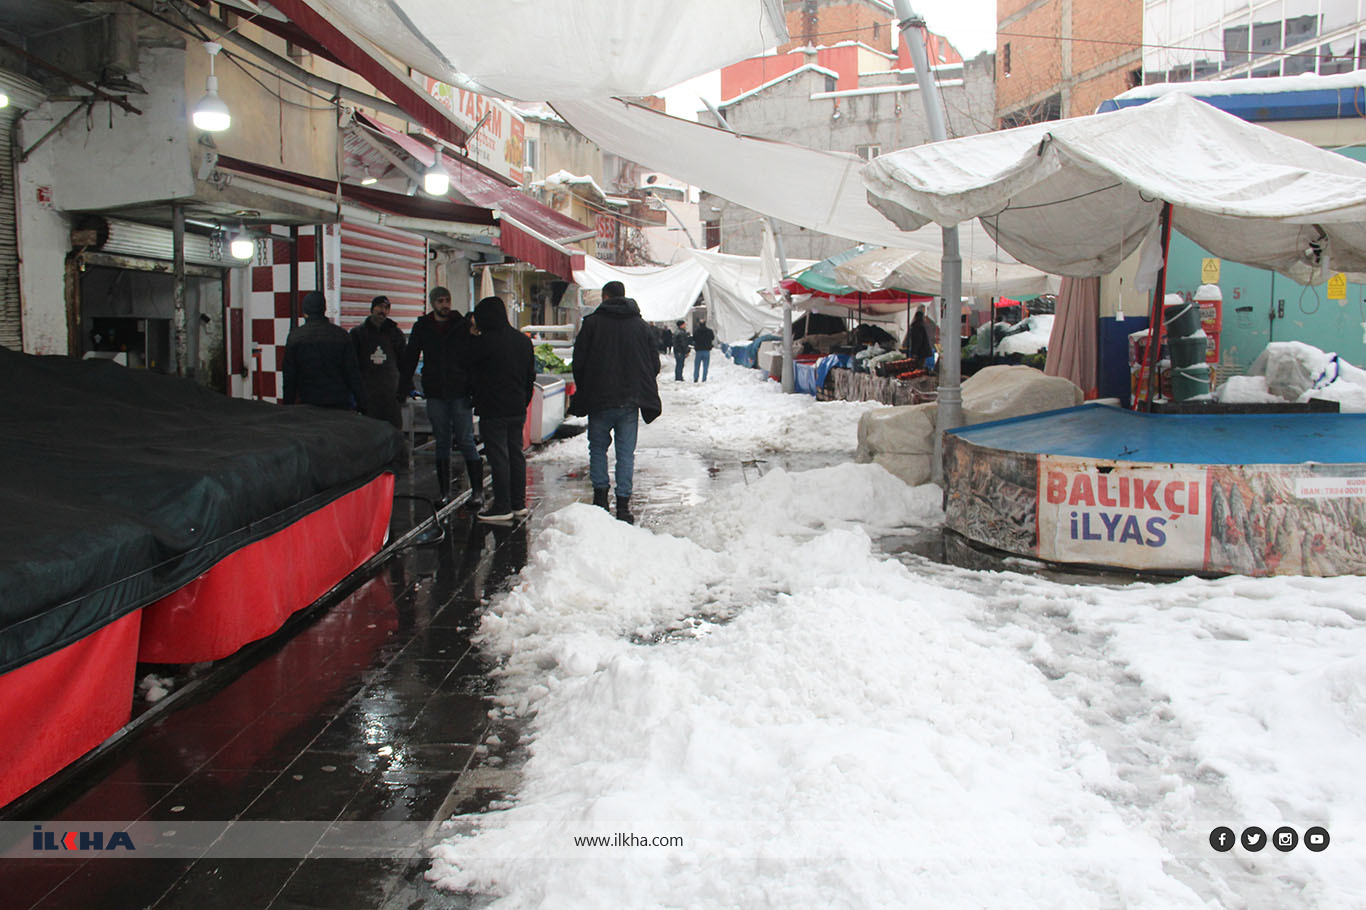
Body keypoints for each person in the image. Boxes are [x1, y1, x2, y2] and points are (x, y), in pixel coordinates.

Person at [571, 280, 661, 524]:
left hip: (599, 399)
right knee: (626, 454)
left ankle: (600, 500)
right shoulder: (640, 326)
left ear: (605, 297)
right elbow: (653, 364)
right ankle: (623, 506)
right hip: (629, 401)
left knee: (597, 449)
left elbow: (578, 361)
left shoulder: (592, 324)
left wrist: (587, 386)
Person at [400, 286, 483, 507]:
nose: (445, 305)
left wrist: (474, 387)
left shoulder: (461, 325)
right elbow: (410, 357)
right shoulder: (423, 326)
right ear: (432, 303)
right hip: (436, 391)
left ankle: (477, 492)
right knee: (442, 441)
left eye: (447, 300)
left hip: (460, 391)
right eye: (440, 301)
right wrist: (404, 387)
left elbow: (473, 356)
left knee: (466, 439)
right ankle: (444, 492)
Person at [467, 296, 536, 523]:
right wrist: (523, 400)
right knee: (516, 454)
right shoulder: (523, 341)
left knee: (499, 457)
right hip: (517, 407)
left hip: (493, 408)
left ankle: (502, 505)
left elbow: (470, 370)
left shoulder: (483, 343)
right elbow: (530, 377)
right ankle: (518, 503)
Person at [281, 291, 365, 410]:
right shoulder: (342, 335)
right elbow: (353, 373)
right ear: (324, 309)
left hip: (308, 404)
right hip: (340, 403)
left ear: (305, 312)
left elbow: (289, 378)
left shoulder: (295, 337)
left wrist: (288, 406)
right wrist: (362, 403)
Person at [350, 295, 407, 428]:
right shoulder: (357, 334)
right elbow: (352, 365)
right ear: (372, 309)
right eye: (380, 307)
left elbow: (404, 363)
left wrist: (405, 389)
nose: (383, 311)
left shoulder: (396, 334)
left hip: (391, 392)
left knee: (393, 428)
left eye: (386, 308)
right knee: (369, 429)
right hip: (368, 392)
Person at [691, 314, 715, 382]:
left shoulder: (696, 331)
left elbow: (693, 339)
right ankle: (704, 379)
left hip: (698, 350)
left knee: (697, 366)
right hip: (706, 350)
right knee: (706, 366)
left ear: (699, 324)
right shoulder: (709, 331)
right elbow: (712, 338)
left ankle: (696, 378)